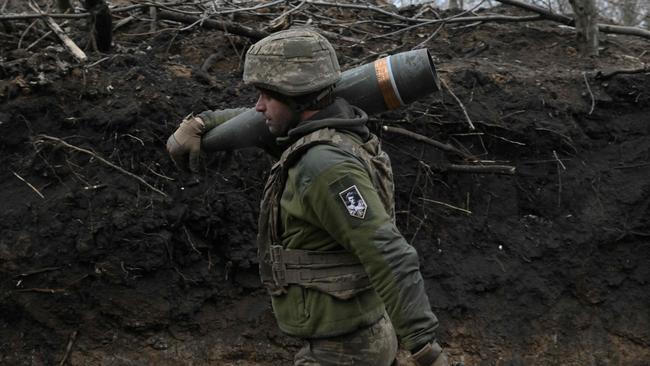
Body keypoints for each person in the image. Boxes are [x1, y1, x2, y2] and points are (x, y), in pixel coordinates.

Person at [167, 27, 449, 366]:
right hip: (355, 338)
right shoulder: (326, 129)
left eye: (265, 96)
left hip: (344, 352)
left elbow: (388, 252)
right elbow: (259, 122)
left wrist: (426, 351)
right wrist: (202, 123)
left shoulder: (324, 165)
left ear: (295, 96)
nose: (257, 107)